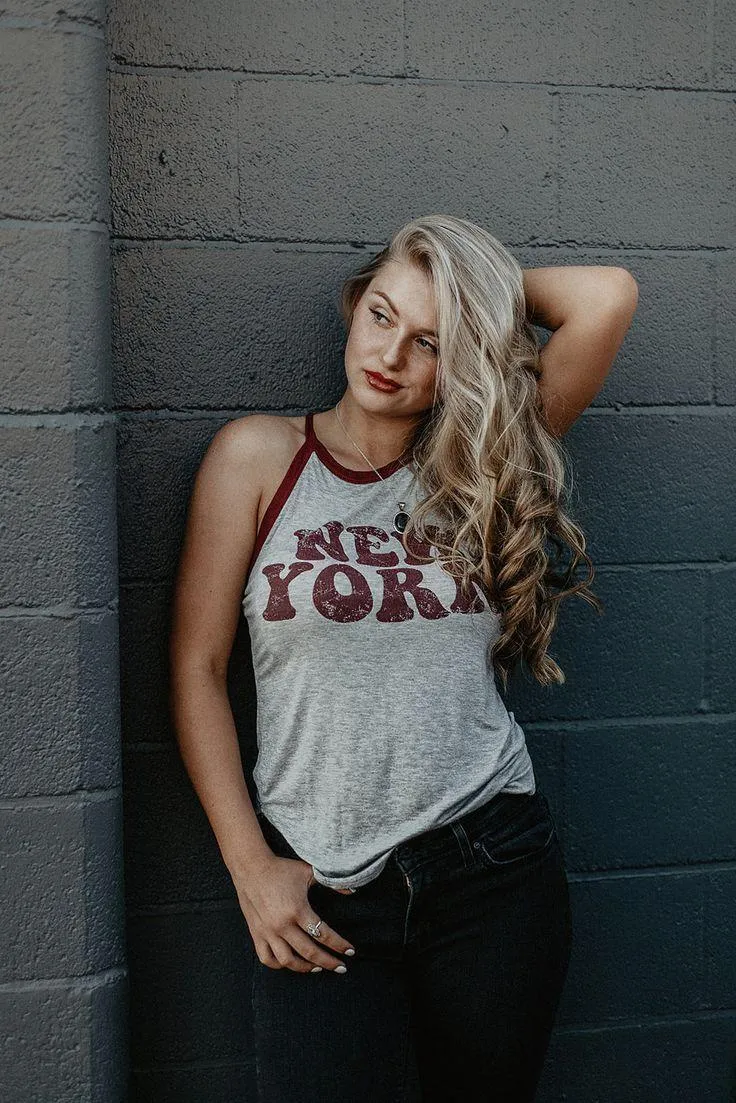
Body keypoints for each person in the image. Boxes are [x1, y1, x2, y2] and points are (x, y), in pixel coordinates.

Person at [169, 214, 639, 1102]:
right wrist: (250, 867)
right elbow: (197, 670)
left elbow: (606, 296)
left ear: (462, 361)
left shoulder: (482, 465)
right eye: (382, 315)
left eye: (432, 342)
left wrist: (469, 292)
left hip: (491, 870)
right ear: (354, 305)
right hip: (323, 886)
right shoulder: (258, 458)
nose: (391, 354)